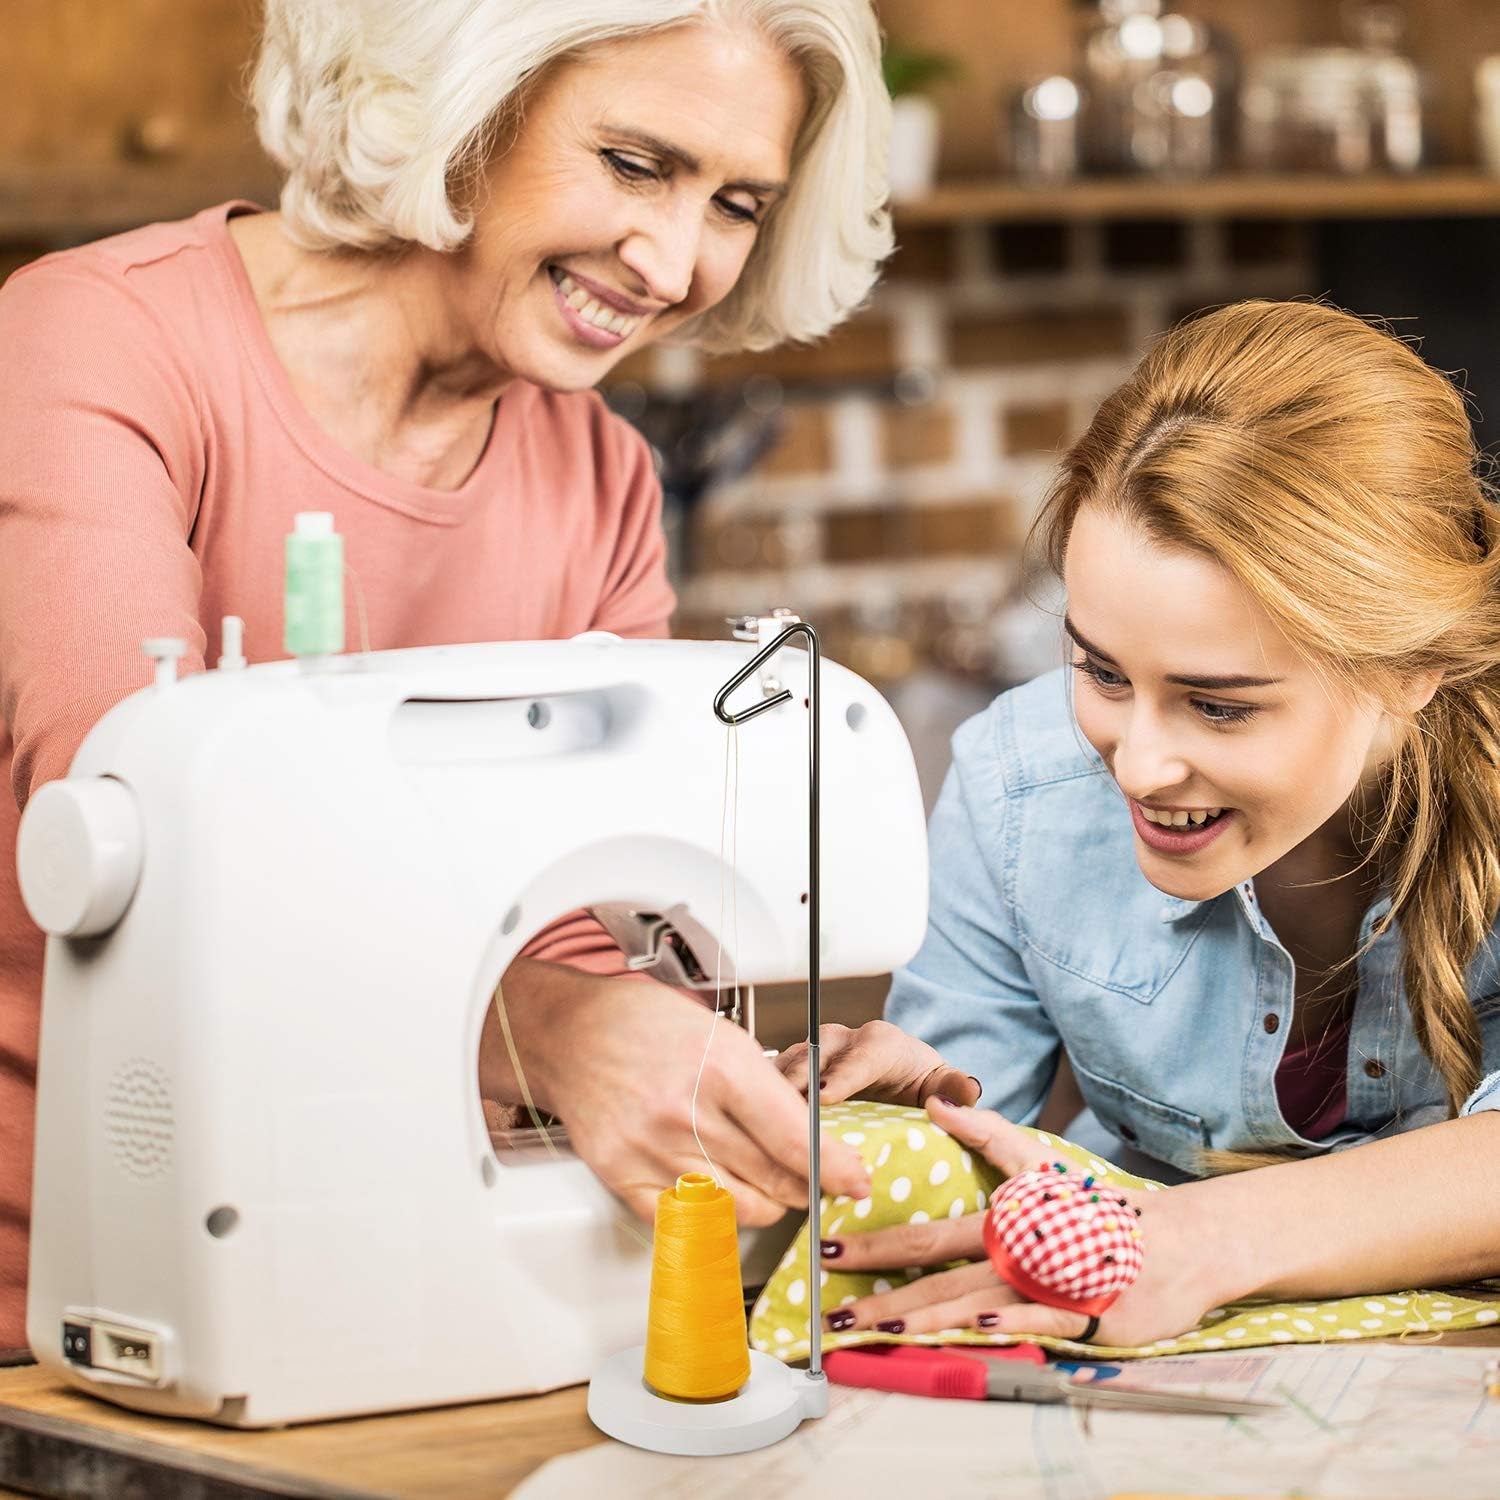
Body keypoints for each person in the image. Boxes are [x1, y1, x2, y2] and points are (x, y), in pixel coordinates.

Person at [0, 0, 945, 1350]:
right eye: (635, 164)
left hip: (389, 1292)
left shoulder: (601, 479)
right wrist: (547, 1026)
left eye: (737, 202)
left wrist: (747, 1081)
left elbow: (568, 933)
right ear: (463, 102)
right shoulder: (98, 344)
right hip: (60, 1307)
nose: (677, 261)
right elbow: (135, 851)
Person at [778, 301, 1500, 1348]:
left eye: (1219, 703)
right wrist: (905, 1123)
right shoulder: (1016, 781)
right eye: (1101, 670)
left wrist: (1197, 1241)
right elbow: (978, 1175)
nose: (1138, 762)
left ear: (1412, 669)